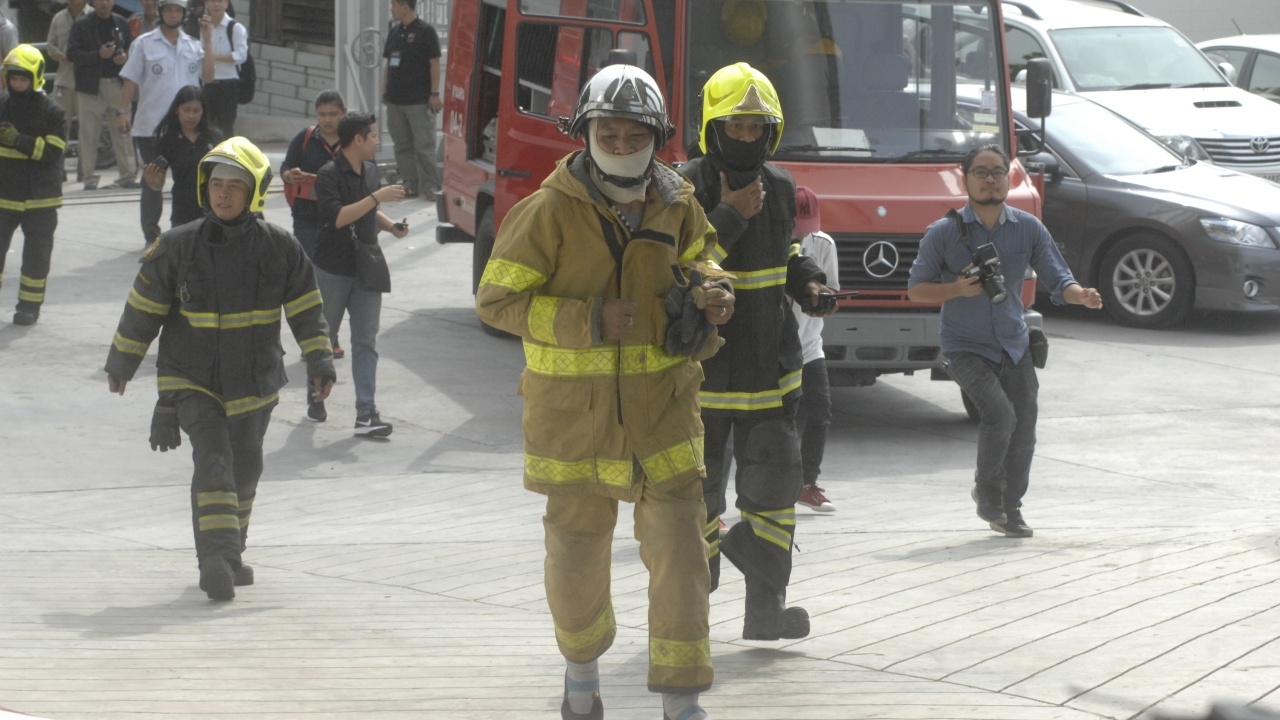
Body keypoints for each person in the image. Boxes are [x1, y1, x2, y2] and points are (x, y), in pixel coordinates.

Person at [475, 63, 734, 720]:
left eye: (634, 135)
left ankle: (681, 701)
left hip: (664, 417)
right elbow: (496, 302)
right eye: (609, 134)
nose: (622, 145)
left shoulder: (678, 202)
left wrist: (714, 291)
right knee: (576, 557)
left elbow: (705, 255)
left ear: (658, 137)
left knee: (682, 554)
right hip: (575, 426)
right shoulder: (546, 212)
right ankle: (582, 679)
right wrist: (586, 320)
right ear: (586, 135)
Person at [104, 137, 336, 601]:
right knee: (213, 462)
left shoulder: (280, 247)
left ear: (254, 192)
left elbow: (307, 309)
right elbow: (143, 308)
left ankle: (232, 553)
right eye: (216, 185)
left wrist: (320, 360)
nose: (223, 193)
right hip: (192, 378)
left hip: (255, 380)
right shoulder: (177, 245)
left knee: (245, 469)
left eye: (234, 185)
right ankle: (214, 559)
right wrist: (122, 362)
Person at [678, 62, 835, 642]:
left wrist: (810, 282)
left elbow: (784, 250)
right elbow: (677, 266)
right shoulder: (681, 187)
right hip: (703, 376)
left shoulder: (781, 187)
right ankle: (687, 619)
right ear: (712, 128)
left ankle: (766, 615)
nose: (745, 137)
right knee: (693, 500)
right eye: (734, 126)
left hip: (771, 374)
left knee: (773, 496)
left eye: (756, 127)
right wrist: (729, 216)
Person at [907, 144, 1103, 538]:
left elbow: (1059, 278)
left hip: (1014, 343)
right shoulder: (943, 232)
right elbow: (916, 290)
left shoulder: (1028, 227)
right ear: (965, 179)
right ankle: (988, 492)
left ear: (1008, 178)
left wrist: (1080, 295)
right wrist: (956, 289)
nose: (990, 179)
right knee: (1000, 414)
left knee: (1024, 429)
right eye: (980, 172)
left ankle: (1009, 509)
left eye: (998, 171)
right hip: (964, 346)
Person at [310, 111, 407, 433]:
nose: (378, 141)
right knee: (325, 339)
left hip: (366, 269)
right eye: (374, 135)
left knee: (365, 341)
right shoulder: (328, 175)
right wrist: (376, 197)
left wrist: (391, 226)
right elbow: (338, 217)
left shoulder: (371, 171)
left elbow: (369, 211)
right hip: (332, 270)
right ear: (358, 139)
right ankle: (317, 394)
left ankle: (366, 412)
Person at [117, 0, 214, 245]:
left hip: (187, 128)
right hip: (151, 127)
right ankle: (152, 237)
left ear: (184, 14)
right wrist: (122, 112)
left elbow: (209, 76)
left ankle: (191, 228)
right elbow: (130, 80)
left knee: (191, 179)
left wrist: (208, 39)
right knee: (152, 181)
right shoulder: (144, 44)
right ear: (161, 12)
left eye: (177, 10)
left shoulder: (194, 45)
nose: (173, 14)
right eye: (168, 9)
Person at [0, 45, 68, 327]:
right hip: (4, 197)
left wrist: (19, 141)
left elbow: (53, 152)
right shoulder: (1, 106)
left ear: (36, 77)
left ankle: (29, 307)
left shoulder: (53, 112)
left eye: (22, 79)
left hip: (41, 199)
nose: (17, 84)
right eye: (13, 79)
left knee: (36, 259)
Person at [281, 89, 347, 364]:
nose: (327, 120)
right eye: (322, 114)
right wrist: (290, 175)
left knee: (334, 283)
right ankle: (314, 340)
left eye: (333, 114)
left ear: (343, 113)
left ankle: (330, 337)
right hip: (307, 219)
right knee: (312, 281)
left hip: (340, 220)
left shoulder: (352, 139)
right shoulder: (305, 138)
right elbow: (285, 168)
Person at [790, 186, 840, 514]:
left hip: (809, 344)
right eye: (797, 227)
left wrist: (826, 302)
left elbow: (832, 289)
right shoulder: (768, 243)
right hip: (776, 345)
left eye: (807, 227)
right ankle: (779, 481)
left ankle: (808, 483)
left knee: (820, 410)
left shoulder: (823, 244)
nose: (802, 234)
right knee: (780, 417)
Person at [67, 0, 138, 192]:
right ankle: (88, 177)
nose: (104, 3)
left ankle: (128, 175)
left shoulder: (121, 22)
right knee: (88, 134)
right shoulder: (81, 24)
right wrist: (98, 54)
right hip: (90, 86)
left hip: (117, 83)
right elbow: (71, 54)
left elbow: (132, 48)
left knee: (123, 131)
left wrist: (124, 57)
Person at [381, 0, 442, 201]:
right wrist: (384, 89)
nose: (391, 9)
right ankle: (409, 183)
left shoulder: (426, 31)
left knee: (424, 145)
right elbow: (389, 64)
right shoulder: (394, 32)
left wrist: (434, 93)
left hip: (418, 100)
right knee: (402, 144)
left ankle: (431, 185)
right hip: (395, 100)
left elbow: (434, 63)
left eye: (394, 5)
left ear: (405, 7)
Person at [141, 85, 223, 230]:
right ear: (177, 110)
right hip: (183, 214)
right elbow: (157, 184)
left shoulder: (215, 137)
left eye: (196, 111)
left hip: (215, 213)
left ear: (203, 111)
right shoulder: (167, 142)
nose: (191, 116)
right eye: (186, 110)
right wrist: (153, 182)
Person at [45, 0, 91, 182]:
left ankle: (84, 168)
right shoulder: (58, 18)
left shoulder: (93, 16)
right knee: (58, 126)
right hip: (64, 79)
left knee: (86, 128)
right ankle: (58, 167)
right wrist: (60, 55)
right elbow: (50, 45)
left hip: (86, 81)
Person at [198, 0, 247, 137]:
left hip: (228, 85)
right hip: (208, 84)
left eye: (220, 1)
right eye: (212, 1)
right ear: (206, 3)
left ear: (226, 4)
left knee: (225, 127)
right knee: (205, 126)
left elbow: (241, 55)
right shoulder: (204, 26)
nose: (216, 5)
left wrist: (213, 57)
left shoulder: (235, 28)